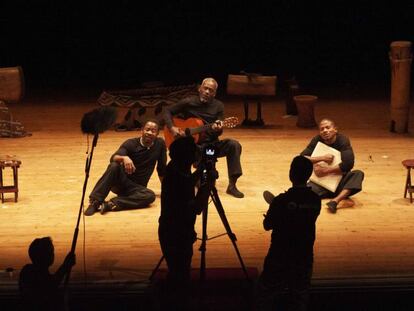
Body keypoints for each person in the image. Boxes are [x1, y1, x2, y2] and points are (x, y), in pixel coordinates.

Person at [256, 156, 321, 311]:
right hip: (304, 254)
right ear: (309, 175)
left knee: (268, 291)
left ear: (291, 174)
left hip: (279, 254)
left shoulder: (281, 200)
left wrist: (275, 213)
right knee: (300, 294)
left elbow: (267, 225)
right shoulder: (315, 200)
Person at [163, 77, 244, 198]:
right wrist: (172, 128)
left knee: (234, 145)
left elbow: (219, 132)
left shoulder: (218, 106)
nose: (207, 92)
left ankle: (232, 185)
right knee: (204, 184)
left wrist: (218, 129)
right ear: (199, 89)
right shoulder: (188, 102)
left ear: (214, 93)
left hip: (211, 144)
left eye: (210, 90)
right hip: (194, 147)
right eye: (205, 88)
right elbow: (167, 111)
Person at [158, 136, 212, 310]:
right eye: (194, 152)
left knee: (177, 273)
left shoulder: (176, 168)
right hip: (176, 233)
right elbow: (197, 207)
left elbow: (189, 180)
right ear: (187, 156)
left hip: (175, 230)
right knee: (179, 275)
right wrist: (208, 183)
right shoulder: (177, 175)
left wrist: (202, 171)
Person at [84, 119, 167, 216]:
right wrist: (124, 158)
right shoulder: (130, 143)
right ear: (142, 131)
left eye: (153, 131)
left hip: (137, 188)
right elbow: (113, 158)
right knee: (114, 165)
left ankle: (111, 204)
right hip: (121, 183)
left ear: (157, 134)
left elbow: (162, 170)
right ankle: (95, 202)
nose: (149, 133)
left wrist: (167, 190)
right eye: (147, 129)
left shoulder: (160, 144)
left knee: (149, 196)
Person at [299, 118, 364, 213]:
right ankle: (281, 201)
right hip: (322, 183)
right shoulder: (317, 140)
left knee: (358, 174)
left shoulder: (343, 140)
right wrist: (322, 158)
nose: (325, 130)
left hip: (340, 183)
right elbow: (301, 159)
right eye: (322, 129)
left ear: (335, 130)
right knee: (302, 193)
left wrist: (326, 171)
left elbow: (348, 164)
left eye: (328, 127)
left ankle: (335, 201)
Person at [19, 237, 76, 311]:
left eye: (52, 251)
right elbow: (49, 285)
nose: (52, 254)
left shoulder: (30, 272)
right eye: (50, 251)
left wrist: (65, 266)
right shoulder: (28, 272)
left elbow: (50, 283)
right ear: (41, 254)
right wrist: (65, 266)